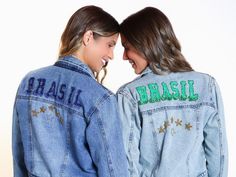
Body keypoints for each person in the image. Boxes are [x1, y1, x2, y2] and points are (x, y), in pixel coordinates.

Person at [12, 5, 128, 177]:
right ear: (88, 37)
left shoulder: (28, 82)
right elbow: (113, 171)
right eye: (109, 45)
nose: (111, 55)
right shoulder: (100, 98)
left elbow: (19, 158)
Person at [116, 7, 228, 177]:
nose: (124, 56)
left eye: (127, 47)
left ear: (145, 44)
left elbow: (127, 161)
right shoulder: (206, 85)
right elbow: (217, 154)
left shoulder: (130, 94)